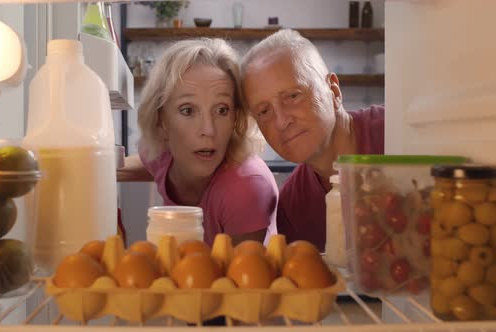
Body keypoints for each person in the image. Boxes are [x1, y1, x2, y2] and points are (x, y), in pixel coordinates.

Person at [118, 38, 278, 246]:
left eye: (222, 110)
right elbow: (149, 163)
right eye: (188, 110)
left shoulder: (245, 188)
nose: (208, 131)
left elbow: (239, 276)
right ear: (161, 122)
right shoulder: (163, 153)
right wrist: (95, 166)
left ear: (236, 118)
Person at [240, 29, 385, 250]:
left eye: (293, 96)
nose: (281, 121)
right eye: (264, 111)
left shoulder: (397, 132)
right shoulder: (292, 208)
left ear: (334, 91)